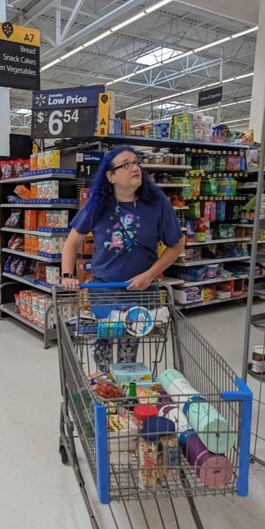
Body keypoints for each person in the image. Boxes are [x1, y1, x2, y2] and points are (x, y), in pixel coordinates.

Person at [61, 145, 185, 369]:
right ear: (110, 176)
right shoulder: (97, 206)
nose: (134, 168)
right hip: (104, 291)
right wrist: (68, 275)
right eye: (126, 165)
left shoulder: (159, 204)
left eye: (136, 162)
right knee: (103, 349)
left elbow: (177, 246)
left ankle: (123, 395)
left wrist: (149, 275)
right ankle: (105, 390)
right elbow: (71, 244)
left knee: (129, 350)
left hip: (140, 292)